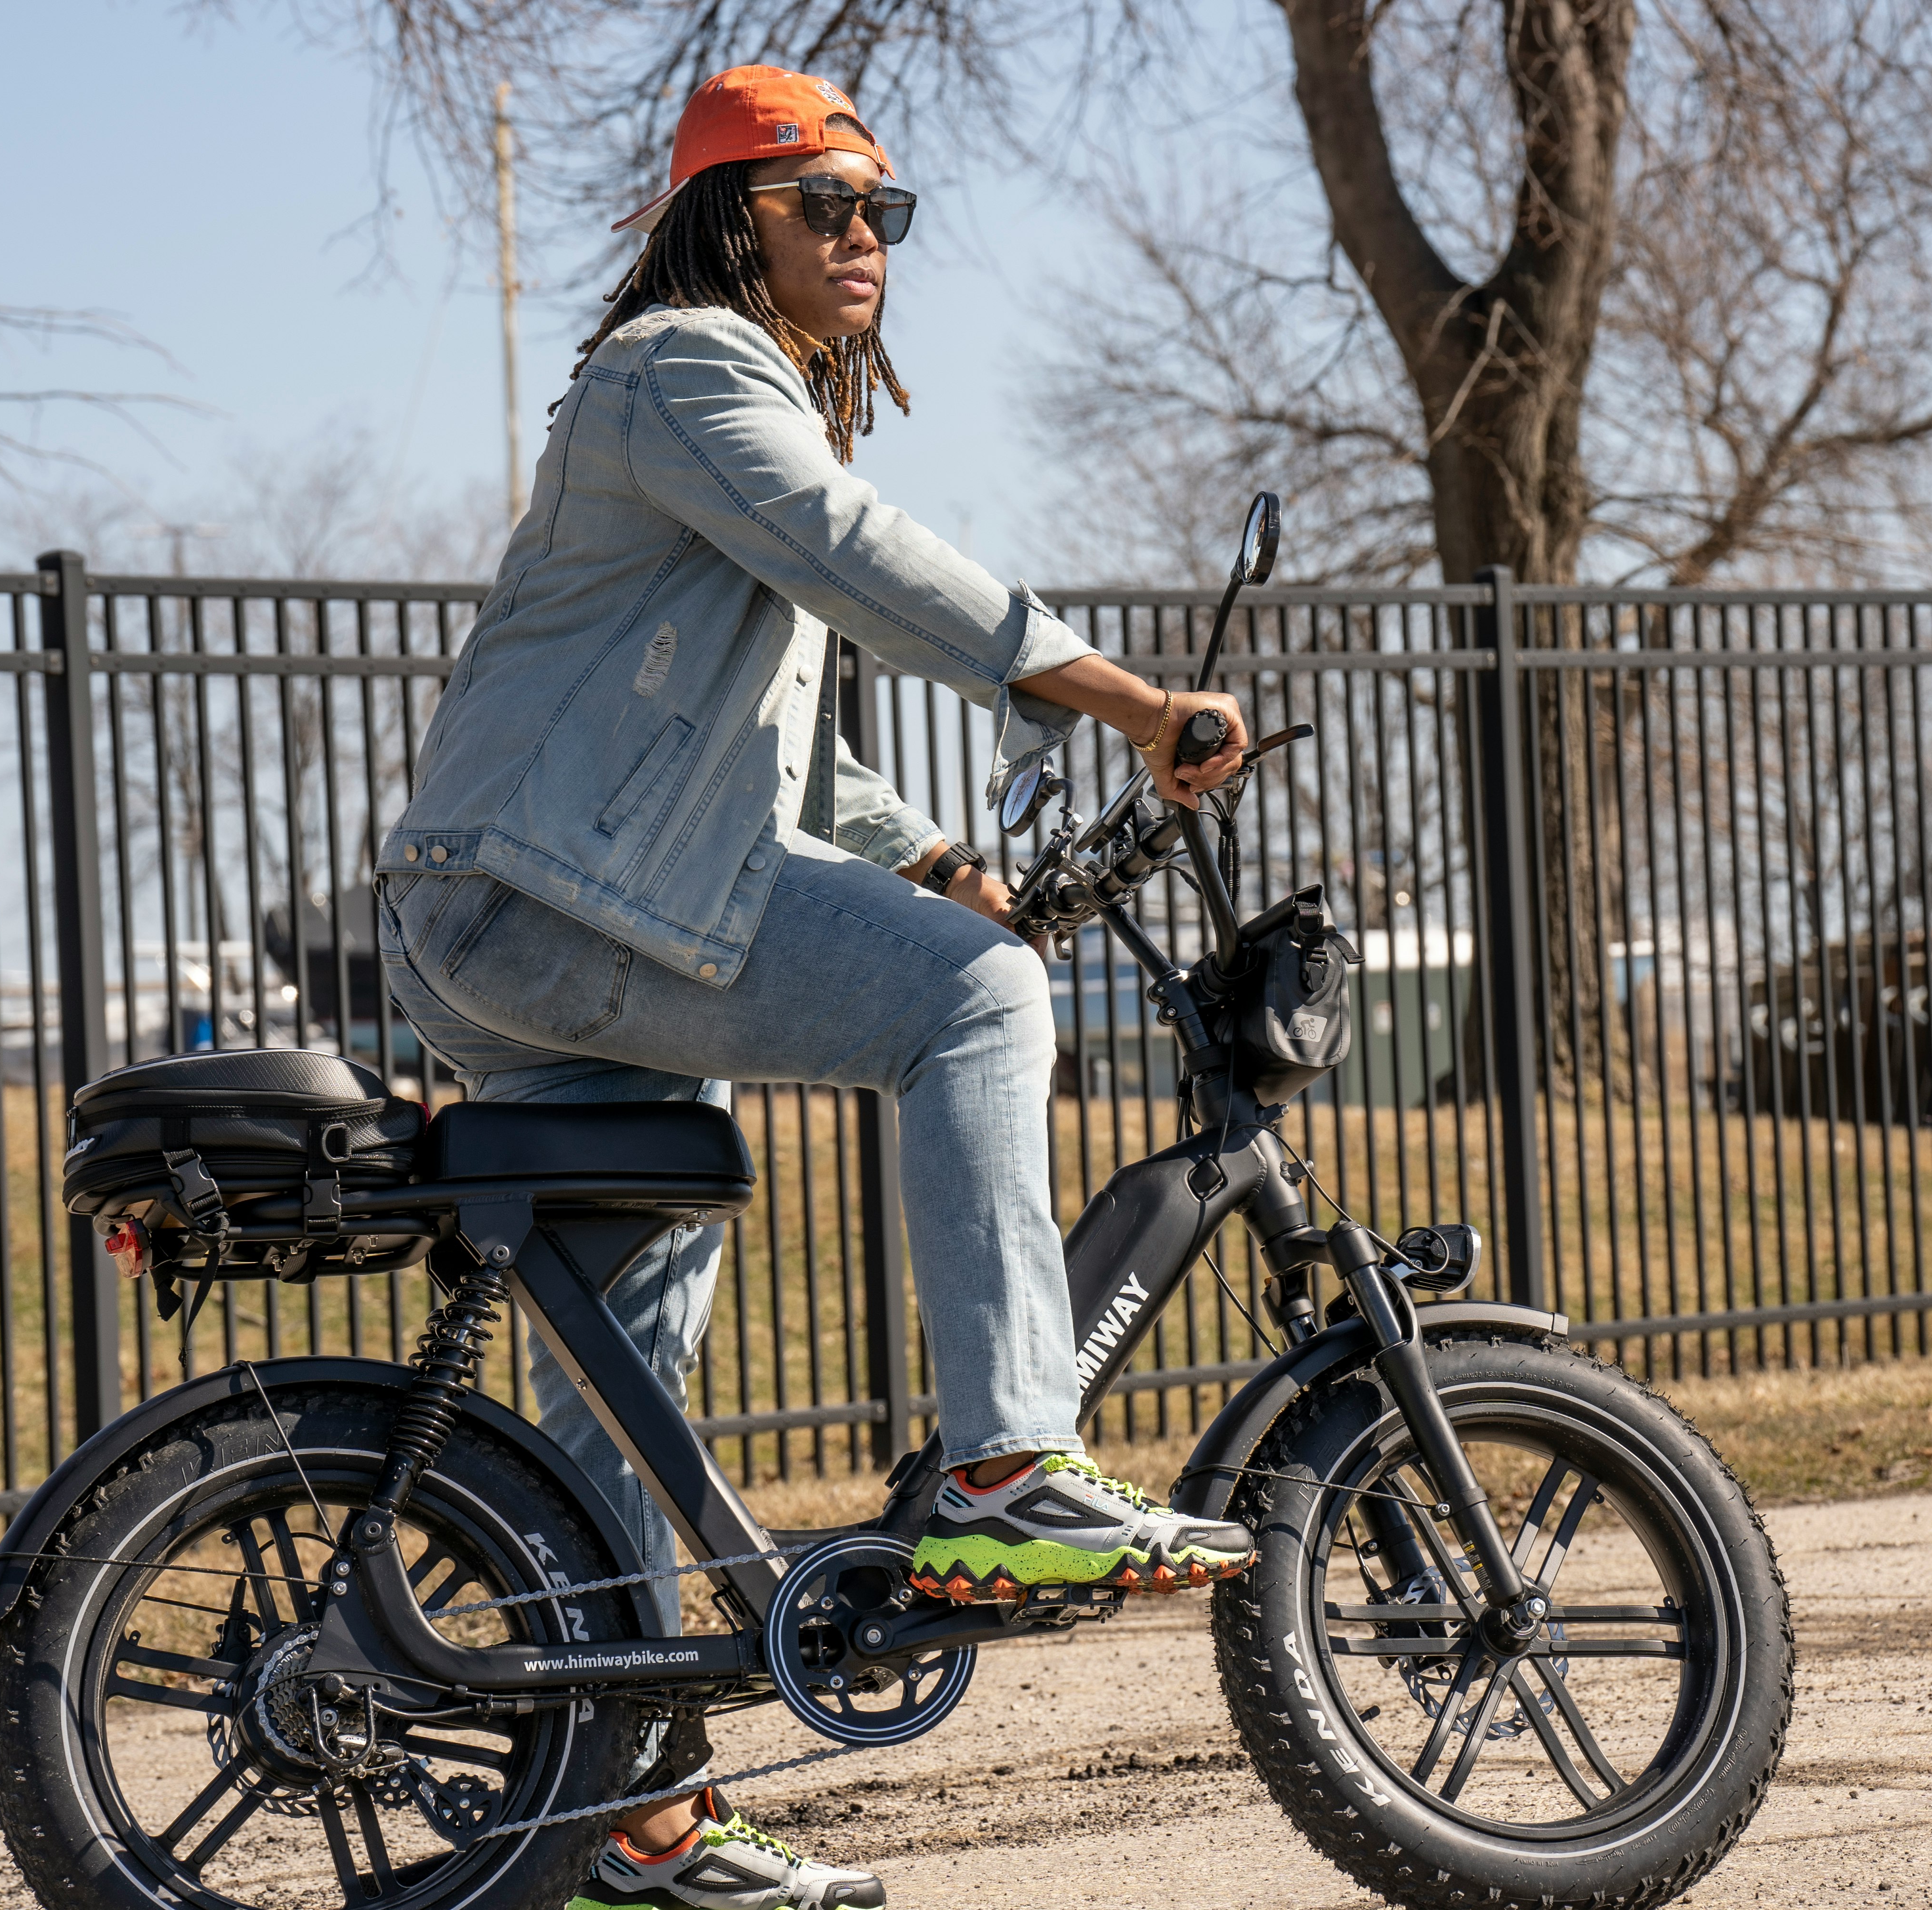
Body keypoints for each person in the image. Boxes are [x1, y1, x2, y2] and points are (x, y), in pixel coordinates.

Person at [377, 64, 1257, 1910]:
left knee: (629, 1370)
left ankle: (625, 1814)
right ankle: (1009, 1470)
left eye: (884, 212)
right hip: (549, 910)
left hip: (526, 915)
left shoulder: (712, 418)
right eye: (823, 205)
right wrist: (1122, 697)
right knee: (978, 1004)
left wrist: (938, 858)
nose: (864, 239)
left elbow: (765, 745)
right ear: (727, 221)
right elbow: (865, 568)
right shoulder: (684, 367)